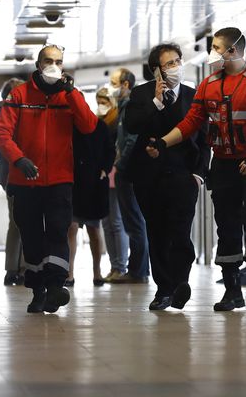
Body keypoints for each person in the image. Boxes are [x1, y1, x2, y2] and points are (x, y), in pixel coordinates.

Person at [147, 27, 246, 311]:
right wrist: (164, 142)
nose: (213, 54)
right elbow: (191, 122)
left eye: (217, 48)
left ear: (232, 50)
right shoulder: (209, 84)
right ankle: (232, 290)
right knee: (227, 227)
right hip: (223, 165)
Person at [0, 44, 98, 313]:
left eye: (59, 61)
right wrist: (19, 159)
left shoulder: (68, 95)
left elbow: (88, 125)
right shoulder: (19, 95)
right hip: (24, 180)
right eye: (48, 61)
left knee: (58, 231)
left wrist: (71, 92)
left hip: (60, 179)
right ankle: (38, 289)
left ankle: (55, 287)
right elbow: (2, 133)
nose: (54, 65)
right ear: (39, 65)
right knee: (32, 237)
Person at [124, 44, 210, 310]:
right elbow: (132, 125)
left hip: (184, 176)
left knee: (180, 230)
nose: (175, 67)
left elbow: (205, 139)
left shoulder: (193, 96)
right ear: (156, 71)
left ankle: (180, 283)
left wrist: (199, 174)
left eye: (177, 61)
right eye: (169, 63)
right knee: (157, 232)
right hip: (149, 177)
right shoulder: (141, 94)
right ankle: (164, 289)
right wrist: (157, 103)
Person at [65, 88, 116, 287]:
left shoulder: (100, 126)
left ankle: (97, 271)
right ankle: (69, 273)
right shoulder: (68, 127)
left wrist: (104, 169)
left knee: (95, 229)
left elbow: (110, 150)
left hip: (95, 183)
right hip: (74, 183)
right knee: (72, 228)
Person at [109, 68, 150, 285]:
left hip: (130, 171)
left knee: (135, 222)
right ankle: (137, 270)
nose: (111, 87)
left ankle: (138, 271)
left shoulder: (132, 107)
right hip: (126, 170)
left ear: (126, 84)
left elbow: (131, 140)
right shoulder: (122, 107)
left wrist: (121, 164)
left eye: (114, 83)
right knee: (132, 222)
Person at [0, 77, 26, 286]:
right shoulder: (5, 120)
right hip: (14, 176)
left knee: (15, 223)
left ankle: (14, 269)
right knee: (21, 223)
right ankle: (19, 269)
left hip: (9, 176)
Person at [97, 84, 128, 282]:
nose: (101, 106)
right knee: (106, 223)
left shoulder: (117, 119)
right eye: (98, 102)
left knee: (117, 222)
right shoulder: (97, 121)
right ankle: (113, 265)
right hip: (101, 176)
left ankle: (121, 266)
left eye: (104, 102)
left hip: (115, 173)